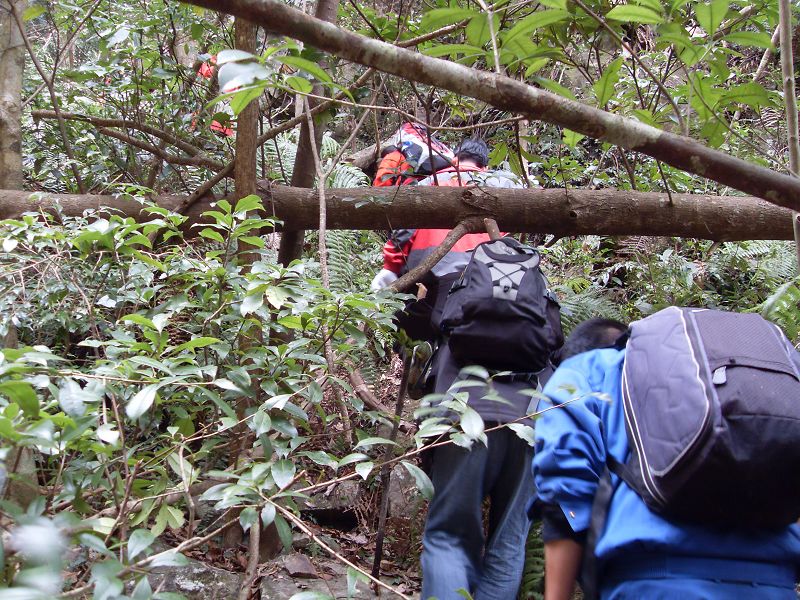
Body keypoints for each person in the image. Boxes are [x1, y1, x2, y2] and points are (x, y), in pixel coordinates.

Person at [532, 317, 800, 600]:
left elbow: (564, 490)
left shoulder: (582, 372)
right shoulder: (716, 384)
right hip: (774, 583)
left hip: (653, 581)